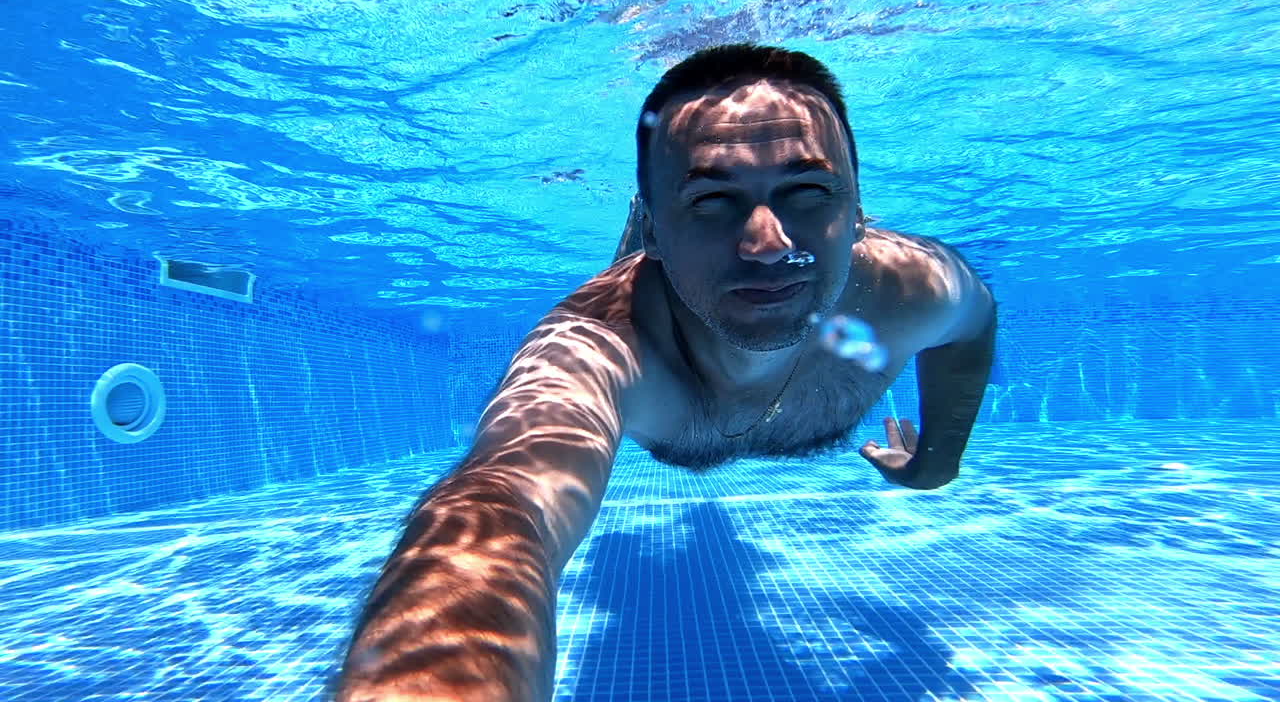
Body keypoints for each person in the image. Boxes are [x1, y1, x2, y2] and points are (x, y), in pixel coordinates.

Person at [332, 44, 997, 702]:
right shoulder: (596, 342)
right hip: (650, 304)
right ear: (656, 227)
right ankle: (641, 248)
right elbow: (504, 497)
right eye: (711, 200)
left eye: (808, 191)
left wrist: (935, 462)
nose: (769, 244)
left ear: (857, 214)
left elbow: (974, 325)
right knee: (631, 286)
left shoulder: (915, 291)